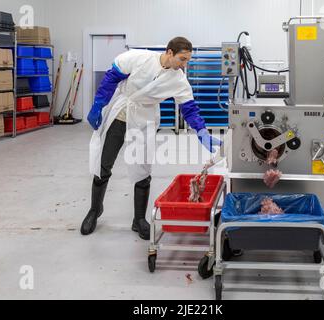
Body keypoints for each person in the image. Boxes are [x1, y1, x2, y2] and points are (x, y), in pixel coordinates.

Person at [81, 37, 222, 240]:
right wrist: (98, 104)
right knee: (103, 164)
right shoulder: (140, 57)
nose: (185, 65)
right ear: (170, 52)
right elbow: (112, 76)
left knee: (143, 169)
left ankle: (139, 220)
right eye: (182, 59)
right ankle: (95, 210)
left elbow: (189, 108)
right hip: (120, 114)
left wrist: (201, 131)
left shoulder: (179, 79)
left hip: (143, 119)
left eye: (187, 60)